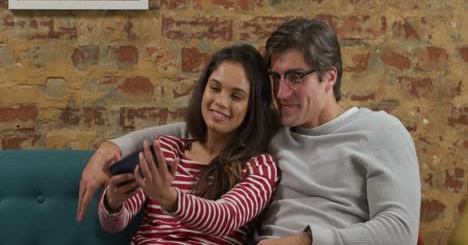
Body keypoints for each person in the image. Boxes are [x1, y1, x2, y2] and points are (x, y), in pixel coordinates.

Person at [78, 19, 421, 244]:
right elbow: (198, 129)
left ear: (329, 77)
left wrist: (305, 240)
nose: (282, 92)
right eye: (276, 78)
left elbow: (401, 231)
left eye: (296, 77)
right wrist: (111, 149)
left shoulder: (381, 132)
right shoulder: (274, 126)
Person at [97, 44, 281, 244]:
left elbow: (226, 217)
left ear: (253, 106)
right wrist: (113, 201)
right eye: (215, 88)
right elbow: (114, 224)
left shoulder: (260, 166)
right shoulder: (166, 148)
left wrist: (170, 198)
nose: (220, 101)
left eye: (236, 96)